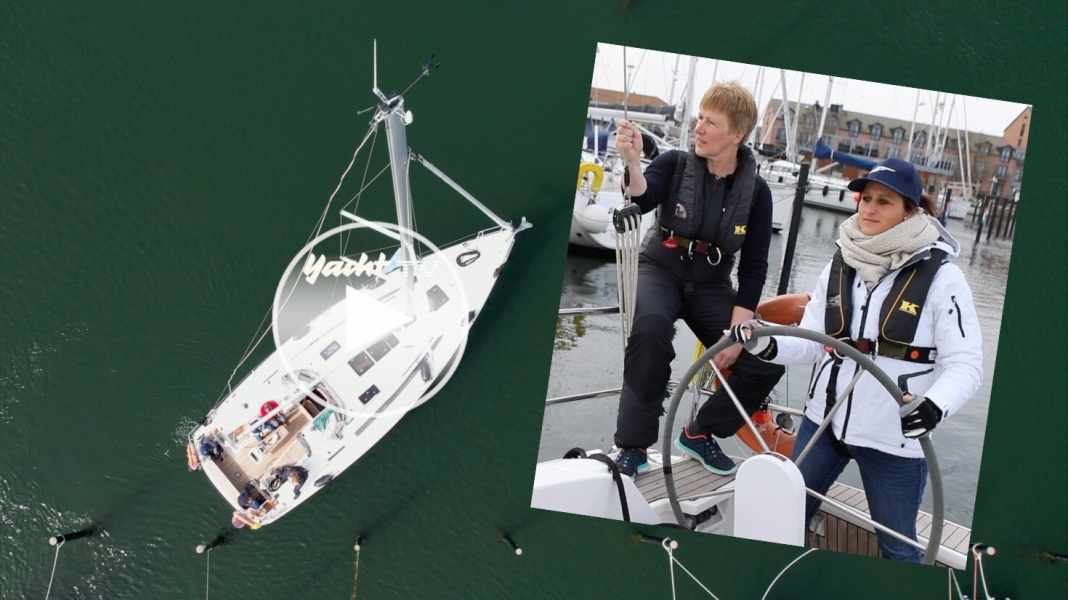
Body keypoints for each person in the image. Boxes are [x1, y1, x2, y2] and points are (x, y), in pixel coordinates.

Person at [733, 158, 983, 562]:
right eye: (866, 198)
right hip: (824, 423)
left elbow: (966, 364)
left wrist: (935, 406)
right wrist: (766, 345)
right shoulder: (841, 260)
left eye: (884, 201)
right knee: (784, 518)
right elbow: (814, 340)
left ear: (911, 210)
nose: (869, 208)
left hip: (894, 438)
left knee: (898, 549)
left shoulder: (943, 278)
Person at [611, 82, 784, 478]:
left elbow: (755, 266)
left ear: (736, 135)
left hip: (711, 284)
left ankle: (700, 432)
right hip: (661, 269)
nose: (699, 127)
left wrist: (739, 327)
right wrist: (633, 162)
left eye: (711, 121)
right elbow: (642, 197)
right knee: (651, 331)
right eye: (700, 118)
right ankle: (634, 446)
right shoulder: (673, 163)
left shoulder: (757, 192)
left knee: (761, 359)